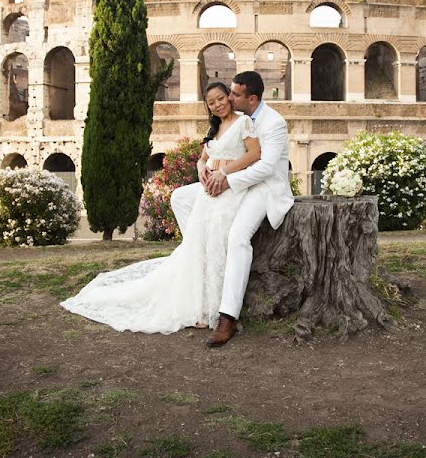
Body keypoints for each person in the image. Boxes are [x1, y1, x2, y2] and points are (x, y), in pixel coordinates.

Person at [59, 82, 261, 334]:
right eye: (212, 102)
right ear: (207, 107)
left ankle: (218, 309)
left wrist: (223, 173)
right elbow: (203, 158)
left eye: (221, 98)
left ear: (229, 99)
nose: (218, 104)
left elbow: (254, 154)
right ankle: (199, 306)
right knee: (198, 246)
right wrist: (201, 170)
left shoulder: (243, 123)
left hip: (230, 189)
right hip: (209, 192)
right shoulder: (215, 128)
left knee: (217, 245)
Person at [171, 71, 294, 347]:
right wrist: (207, 171)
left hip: (264, 187)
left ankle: (228, 316)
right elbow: (209, 154)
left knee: (237, 237)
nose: (229, 97)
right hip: (232, 180)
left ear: (251, 98)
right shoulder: (230, 122)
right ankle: (195, 251)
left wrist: (225, 179)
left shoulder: (273, 122)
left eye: (234, 94)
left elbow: (264, 166)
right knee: (181, 198)